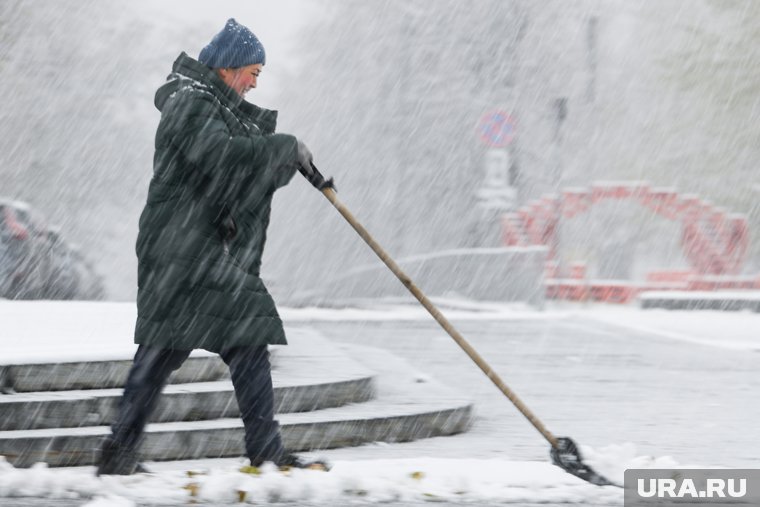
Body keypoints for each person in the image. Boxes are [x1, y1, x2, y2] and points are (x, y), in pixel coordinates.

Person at [97, 18, 332, 475]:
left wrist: (290, 159)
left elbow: (242, 160)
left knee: (170, 346)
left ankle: (120, 451)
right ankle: (263, 452)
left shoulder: (209, 104)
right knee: (233, 332)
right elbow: (221, 158)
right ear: (227, 67)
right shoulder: (191, 103)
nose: (253, 83)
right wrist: (282, 148)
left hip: (188, 247)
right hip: (183, 248)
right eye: (253, 72)